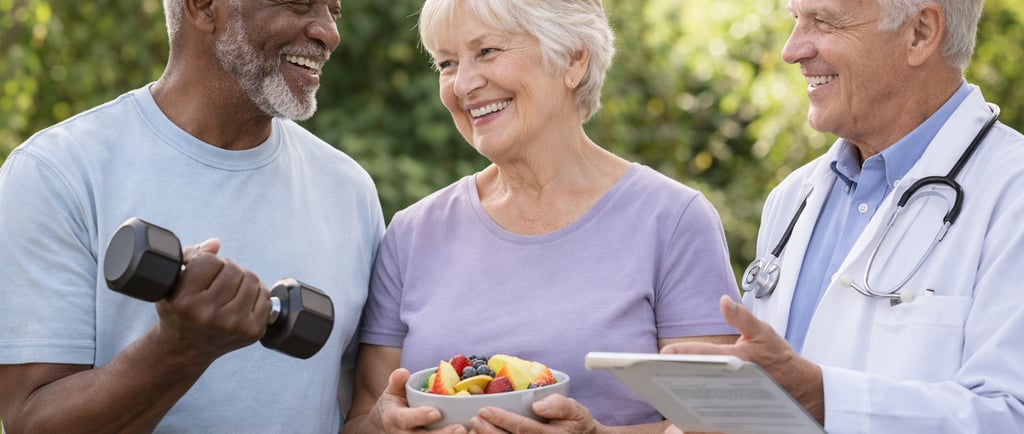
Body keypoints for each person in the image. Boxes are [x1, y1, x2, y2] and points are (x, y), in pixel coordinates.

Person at [342, 1, 741, 433]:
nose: (463, 83)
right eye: (447, 63)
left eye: (488, 51)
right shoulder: (412, 233)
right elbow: (362, 418)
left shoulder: (674, 221)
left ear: (573, 58)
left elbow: (724, 423)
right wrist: (386, 425)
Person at [0, 0, 384, 432]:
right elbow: (29, 421)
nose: (328, 33)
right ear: (202, 7)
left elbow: (364, 413)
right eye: (298, 4)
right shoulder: (58, 173)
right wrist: (179, 349)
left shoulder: (350, 190)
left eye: (334, 11)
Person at [662, 0, 1024, 432]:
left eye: (823, 21)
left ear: (921, 33)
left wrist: (823, 396)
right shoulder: (792, 198)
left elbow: (1010, 414)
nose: (791, 50)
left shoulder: (1011, 193)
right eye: (796, 20)